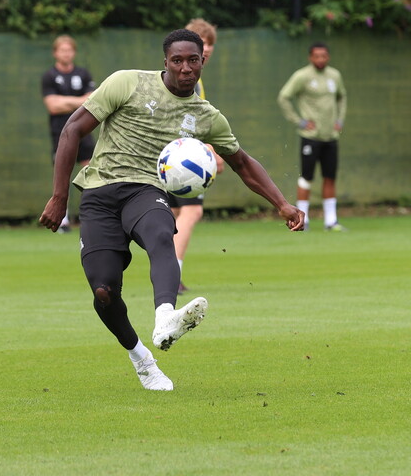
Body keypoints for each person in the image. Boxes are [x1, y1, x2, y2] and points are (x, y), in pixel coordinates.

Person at [39, 29, 304, 391]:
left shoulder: (206, 115)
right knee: (103, 290)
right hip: (99, 193)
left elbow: (242, 163)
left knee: (163, 234)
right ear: (165, 61)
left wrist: (282, 204)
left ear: (202, 62)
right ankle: (141, 359)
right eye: (177, 60)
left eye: (192, 60)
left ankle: (165, 317)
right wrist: (58, 197)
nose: (184, 68)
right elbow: (72, 130)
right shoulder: (127, 83)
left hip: (147, 190)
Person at [169, 19, 225, 294]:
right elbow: (188, 123)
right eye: (205, 47)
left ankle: (165, 271)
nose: (208, 53)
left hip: (168, 155)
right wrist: (213, 153)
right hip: (179, 158)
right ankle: (172, 275)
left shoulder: (190, 78)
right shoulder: (190, 81)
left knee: (174, 214)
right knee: (192, 211)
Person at [277, 42, 348, 231]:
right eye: (316, 56)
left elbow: (342, 97)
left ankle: (331, 221)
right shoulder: (302, 76)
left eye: (324, 56)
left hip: (330, 136)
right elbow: (284, 97)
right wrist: (299, 121)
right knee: (306, 178)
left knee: (330, 177)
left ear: (328, 57)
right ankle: (303, 220)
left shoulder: (335, 76)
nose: (320, 59)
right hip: (310, 137)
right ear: (310, 57)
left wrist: (339, 120)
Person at [41, 34, 96, 233]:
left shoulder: (83, 74)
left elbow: (92, 101)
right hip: (60, 133)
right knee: (62, 173)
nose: (66, 53)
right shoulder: (49, 76)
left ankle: (92, 215)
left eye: (69, 49)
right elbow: (52, 106)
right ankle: (61, 219)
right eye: (62, 50)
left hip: (84, 131)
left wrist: (65, 101)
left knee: (91, 171)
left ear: (74, 52)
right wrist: (78, 101)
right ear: (55, 53)